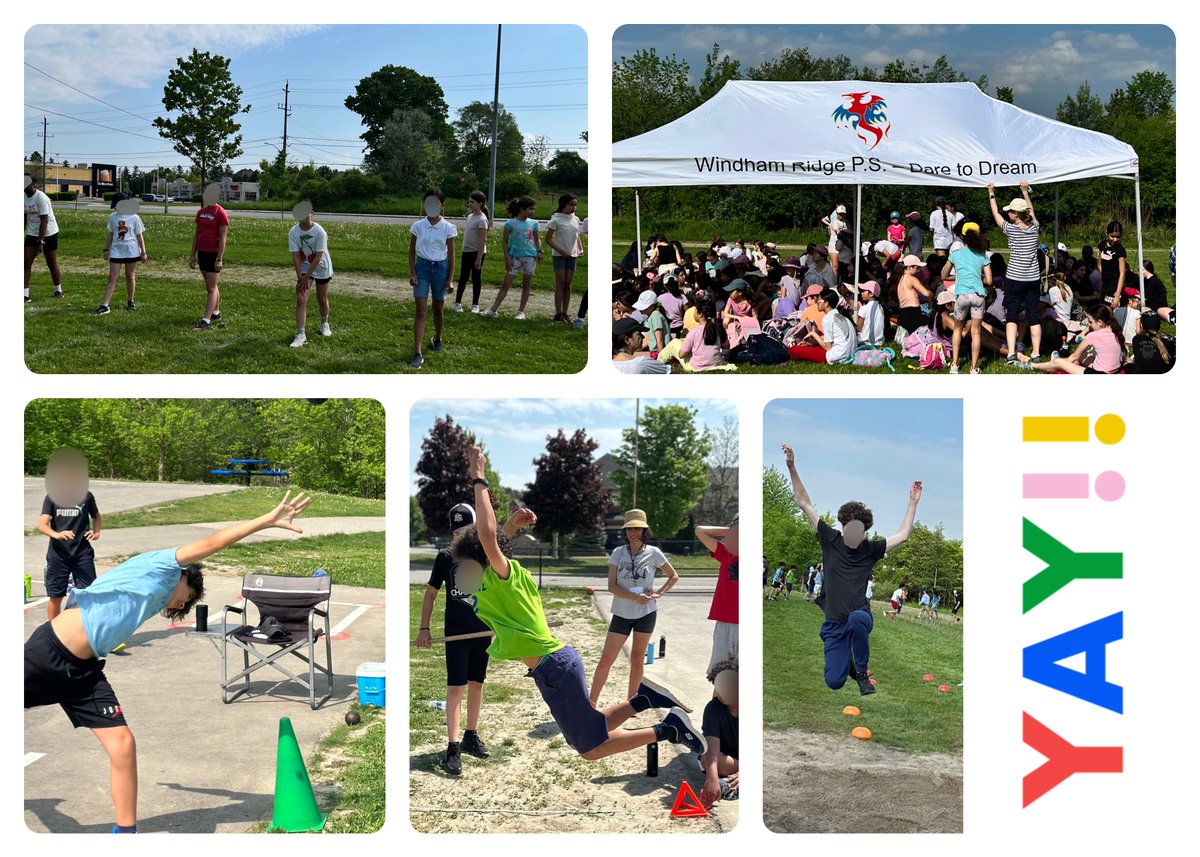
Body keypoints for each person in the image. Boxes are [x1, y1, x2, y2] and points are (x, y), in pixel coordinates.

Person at [24, 491, 311, 834]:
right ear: (186, 577)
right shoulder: (163, 565)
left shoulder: (157, 595)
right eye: (187, 598)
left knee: (123, 744)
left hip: (84, 674)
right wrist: (266, 521)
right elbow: (214, 542)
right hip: (48, 653)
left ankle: (126, 834)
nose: (181, 605)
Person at [452, 446, 704, 761]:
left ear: (482, 562)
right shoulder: (488, 584)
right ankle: (644, 700)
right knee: (587, 734)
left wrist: (478, 477)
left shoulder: (502, 577)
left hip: (555, 668)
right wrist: (512, 527)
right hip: (551, 670)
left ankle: (670, 730)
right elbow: (491, 542)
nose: (460, 570)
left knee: (590, 749)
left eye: (464, 563)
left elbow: (488, 540)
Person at [784, 443, 922, 694]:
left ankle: (861, 673)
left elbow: (903, 536)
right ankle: (846, 664)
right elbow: (804, 503)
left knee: (857, 618)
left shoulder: (870, 550)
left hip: (860, 615)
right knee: (834, 682)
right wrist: (792, 467)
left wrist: (912, 503)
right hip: (834, 624)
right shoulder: (830, 540)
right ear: (843, 526)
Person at [416, 503, 534, 775]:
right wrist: (424, 628)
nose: (459, 536)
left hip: (483, 631)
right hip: (456, 633)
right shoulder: (445, 557)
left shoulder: (482, 555)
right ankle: (453, 746)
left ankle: (471, 735)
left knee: (477, 684)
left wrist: (513, 523)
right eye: (456, 532)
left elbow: (498, 539)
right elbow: (431, 594)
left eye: (465, 531)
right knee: (456, 688)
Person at [589, 509, 680, 705]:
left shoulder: (654, 553)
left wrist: (659, 593)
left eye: (637, 528)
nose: (633, 532)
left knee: (637, 659)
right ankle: (591, 702)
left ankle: (631, 703)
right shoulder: (618, 553)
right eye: (629, 528)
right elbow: (612, 586)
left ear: (644, 530)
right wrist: (635, 597)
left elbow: (673, 576)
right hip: (622, 614)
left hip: (646, 614)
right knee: (607, 659)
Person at [38, 449, 102, 621]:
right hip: (58, 554)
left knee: (88, 593)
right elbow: (42, 525)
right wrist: (57, 534)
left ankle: (86, 629)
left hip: (82, 553)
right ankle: (52, 631)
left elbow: (96, 516)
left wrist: (96, 532)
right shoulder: (52, 498)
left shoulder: (87, 497)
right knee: (56, 596)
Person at [987, 180, 1043, 362]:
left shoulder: (1010, 229)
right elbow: (1031, 212)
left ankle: (1011, 352)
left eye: (1010, 211)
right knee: (1033, 315)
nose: (1007, 213)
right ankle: (1036, 352)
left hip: (1014, 278)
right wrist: (1025, 192)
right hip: (1033, 278)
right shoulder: (1035, 227)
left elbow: (995, 213)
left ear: (1016, 214)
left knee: (1011, 314)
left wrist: (991, 193)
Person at [407, 189, 457, 369]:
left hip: (440, 269)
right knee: (421, 310)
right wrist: (413, 273)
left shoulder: (448, 227)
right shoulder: (418, 226)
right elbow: (411, 252)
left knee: (438, 307)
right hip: (422, 268)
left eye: (435, 202)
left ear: (442, 205)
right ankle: (417, 353)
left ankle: (437, 338)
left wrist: (450, 279)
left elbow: (451, 256)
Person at [1015, 304, 1124, 374]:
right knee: (1082, 357)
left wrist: (1060, 363)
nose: (1089, 325)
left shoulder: (1093, 336)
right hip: (1114, 370)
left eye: (1090, 322)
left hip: (1098, 373)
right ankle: (1052, 363)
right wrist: (1084, 332)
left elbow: (1073, 356)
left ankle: (1031, 365)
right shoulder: (1113, 329)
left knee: (1060, 362)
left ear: (1100, 322)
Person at [484, 196, 542, 320]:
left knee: (526, 285)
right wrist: (507, 258)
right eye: (530, 209)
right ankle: (493, 309)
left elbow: (537, 239)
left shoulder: (534, 223)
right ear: (522, 209)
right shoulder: (510, 223)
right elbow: (505, 241)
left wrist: (539, 251)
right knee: (506, 284)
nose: (532, 211)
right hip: (515, 257)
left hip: (530, 257)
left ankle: (521, 311)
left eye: (533, 209)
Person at [945, 222, 991, 374]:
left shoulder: (956, 254)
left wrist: (958, 276)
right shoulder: (982, 255)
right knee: (976, 332)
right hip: (978, 296)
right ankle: (974, 368)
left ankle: (955, 364)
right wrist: (978, 278)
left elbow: (944, 274)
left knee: (957, 329)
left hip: (962, 296)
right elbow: (989, 280)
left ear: (962, 236)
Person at [695, 514, 739, 670]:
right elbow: (700, 531)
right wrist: (732, 531)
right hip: (725, 620)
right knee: (720, 671)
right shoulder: (726, 552)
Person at [287, 205, 333, 348]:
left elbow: (318, 257)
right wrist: (300, 277)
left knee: (321, 299)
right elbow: (296, 256)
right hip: (305, 267)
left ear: (312, 213)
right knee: (301, 298)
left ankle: (324, 323)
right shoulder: (293, 232)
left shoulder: (319, 232)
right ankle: (301, 334)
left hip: (322, 267)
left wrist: (306, 277)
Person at [189, 185, 229, 331]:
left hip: (213, 254)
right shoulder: (201, 212)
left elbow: (223, 238)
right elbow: (197, 235)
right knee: (210, 285)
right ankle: (216, 312)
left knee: (211, 288)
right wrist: (192, 255)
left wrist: (219, 258)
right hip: (202, 253)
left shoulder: (221, 213)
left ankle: (206, 321)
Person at [699, 658, 739, 807]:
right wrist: (711, 779)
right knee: (708, 760)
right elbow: (711, 747)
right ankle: (724, 782)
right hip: (728, 760)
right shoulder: (713, 708)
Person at [98, 198, 147, 314]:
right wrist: (106, 249)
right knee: (112, 276)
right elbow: (111, 234)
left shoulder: (135, 217)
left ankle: (131, 301)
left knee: (130, 276)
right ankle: (105, 305)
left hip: (131, 251)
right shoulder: (112, 217)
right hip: (116, 251)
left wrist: (143, 252)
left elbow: (139, 236)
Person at [23, 175, 64, 302]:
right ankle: (24, 294)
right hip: (32, 232)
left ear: (34, 185)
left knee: (51, 262)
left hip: (49, 232)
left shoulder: (41, 198)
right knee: (26, 263)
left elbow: (44, 221)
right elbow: (23, 216)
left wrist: (40, 241)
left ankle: (58, 290)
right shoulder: (22, 197)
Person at [789, 289, 857, 364]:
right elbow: (831, 338)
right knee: (812, 346)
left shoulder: (827, 318)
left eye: (819, 300)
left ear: (826, 304)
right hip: (849, 354)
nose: (817, 302)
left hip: (837, 357)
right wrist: (810, 342)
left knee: (793, 350)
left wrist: (813, 333)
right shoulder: (842, 317)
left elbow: (828, 347)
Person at [545, 193, 584, 322]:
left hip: (572, 255)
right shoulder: (556, 219)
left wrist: (580, 248)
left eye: (575, 205)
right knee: (561, 283)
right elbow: (548, 239)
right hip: (559, 255)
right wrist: (561, 251)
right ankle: (558, 313)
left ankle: (565, 312)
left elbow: (576, 235)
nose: (574, 207)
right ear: (563, 205)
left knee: (568, 284)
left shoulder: (575, 219)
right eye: (571, 205)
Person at [453, 191, 489, 315]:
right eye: (469, 201)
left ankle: (475, 304)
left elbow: (482, 240)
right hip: (466, 251)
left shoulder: (482, 220)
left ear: (480, 204)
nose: (469, 204)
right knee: (463, 277)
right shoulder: (469, 216)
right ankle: (458, 302)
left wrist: (479, 258)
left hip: (477, 253)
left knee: (476, 278)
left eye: (472, 202)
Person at [1097, 222, 1128, 307]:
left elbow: (1122, 273)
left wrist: (1117, 295)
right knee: (1102, 305)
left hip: (1115, 283)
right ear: (1107, 233)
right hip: (1105, 282)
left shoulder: (1120, 250)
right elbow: (1099, 263)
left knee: (1108, 307)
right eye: (1112, 236)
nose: (1115, 239)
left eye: (1118, 237)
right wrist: (1103, 273)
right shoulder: (1102, 245)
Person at [856, 280, 885, 346]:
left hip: (866, 342)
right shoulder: (881, 307)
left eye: (863, 291)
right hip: (879, 342)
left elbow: (858, 328)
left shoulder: (864, 308)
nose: (861, 293)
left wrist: (857, 311)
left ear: (871, 294)